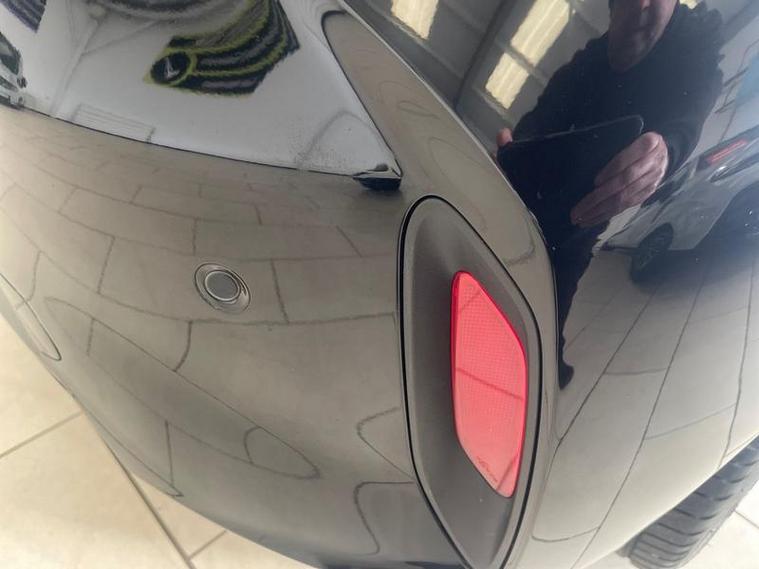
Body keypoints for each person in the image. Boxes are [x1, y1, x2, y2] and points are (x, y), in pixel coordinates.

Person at [496, 0, 723, 387]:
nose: (641, 7)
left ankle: (549, 365)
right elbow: (540, 117)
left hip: (589, 214)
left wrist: (664, 153)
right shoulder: (587, 62)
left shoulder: (695, 53)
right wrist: (515, 147)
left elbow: (687, 121)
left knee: (559, 296)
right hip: (543, 192)